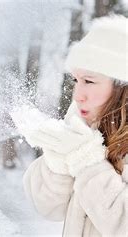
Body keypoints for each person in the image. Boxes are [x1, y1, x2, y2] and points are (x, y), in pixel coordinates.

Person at [17, 15, 127, 236]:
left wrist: (87, 159)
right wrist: (57, 159)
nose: (77, 95)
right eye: (76, 80)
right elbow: (49, 208)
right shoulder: (82, 128)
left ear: (121, 86)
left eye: (89, 81)